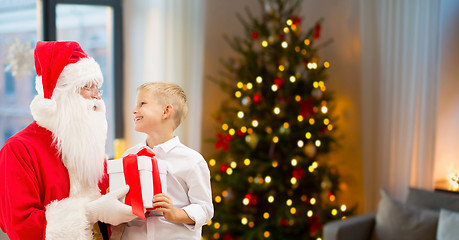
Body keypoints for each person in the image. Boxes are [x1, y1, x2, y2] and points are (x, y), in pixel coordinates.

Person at [0, 41, 137, 240]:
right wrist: (90, 213)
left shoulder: (88, 145)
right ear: (61, 94)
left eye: (98, 88)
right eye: (87, 87)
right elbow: (20, 226)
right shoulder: (18, 149)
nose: (97, 98)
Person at [118, 82, 213, 239]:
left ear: (166, 111)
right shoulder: (128, 157)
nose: (135, 110)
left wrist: (175, 214)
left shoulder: (192, 161)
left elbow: (204, 209)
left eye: (142, 103)